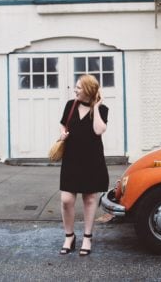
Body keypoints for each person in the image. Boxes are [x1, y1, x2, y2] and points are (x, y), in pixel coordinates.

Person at [58, 74, 109, 256]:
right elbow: (63, 125)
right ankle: (69, 236)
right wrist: (63, 134)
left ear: (88, 89)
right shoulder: (70, 105)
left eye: (79, 87)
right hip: (71, 159)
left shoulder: (101, 109)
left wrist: (95, 106)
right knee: (66, 200)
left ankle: (87, 237)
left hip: (92, 161)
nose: (75, 90)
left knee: (89, 200)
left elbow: (98, 130)